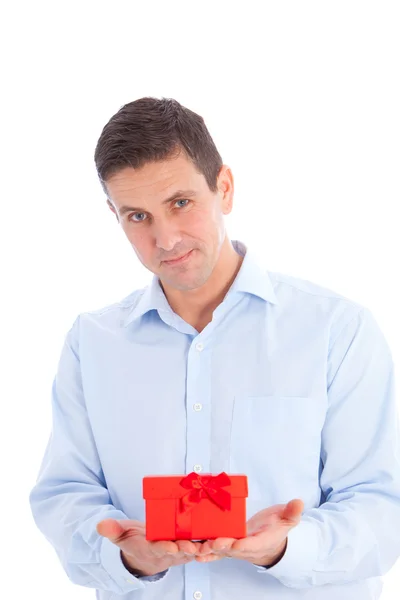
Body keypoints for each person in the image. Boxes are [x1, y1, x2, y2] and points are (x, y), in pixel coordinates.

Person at [29, 96, 400, 600]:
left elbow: (382, 507)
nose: (165, 238)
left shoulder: (337, 328)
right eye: (137, 216)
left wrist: (285, 548)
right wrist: (128, 555)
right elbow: (64, 494)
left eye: (180, 203)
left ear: (223, 188)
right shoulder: (92, 343)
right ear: (113, 214)